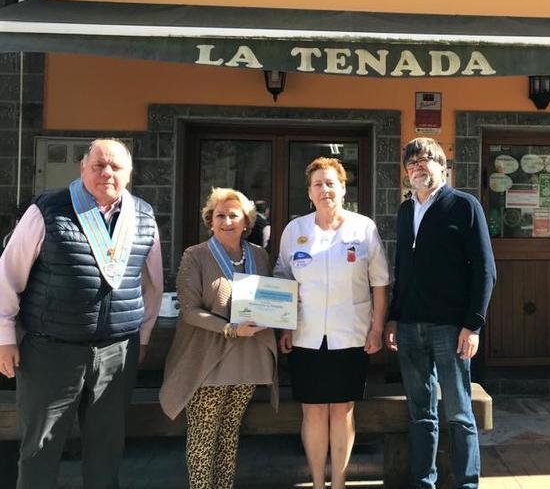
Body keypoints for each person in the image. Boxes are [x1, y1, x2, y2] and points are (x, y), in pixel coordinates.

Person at [0, 138, 163, 489]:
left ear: (129, 173)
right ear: (82, 169)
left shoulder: (145, 215)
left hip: (117, 351)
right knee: (40, 448)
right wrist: (4, 337)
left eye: (115, 167)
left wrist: (143, 337)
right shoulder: (47, 209)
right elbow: (7, 275)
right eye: (98, 165)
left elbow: (152, 285)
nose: (107, 172)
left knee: (107, 451)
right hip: (51, 350)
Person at [384, 137, 496, 489]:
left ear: (443, 166)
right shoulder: (405, 211)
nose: (418, 166)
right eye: (412, 162)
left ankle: (466, 484)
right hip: (410, 327)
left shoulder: (464, 206)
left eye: (426, 159)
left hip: (451, 328)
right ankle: (423, 482)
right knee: (420, 413)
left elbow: (485, 269)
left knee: (460, 413)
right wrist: (393, 317)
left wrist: (473, 324)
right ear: (406, 172)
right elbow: (402, 269)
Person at [274, 157, 389, 489]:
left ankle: (337, 483)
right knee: (312, 411)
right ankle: (317, 483)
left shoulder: (362, 228)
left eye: (330, 183)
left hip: (350, 335)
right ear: (309, 192)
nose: (324, 189)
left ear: (343, 188)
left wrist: (377, 328)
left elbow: (380, 283)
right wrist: (284, 327)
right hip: (305, 335)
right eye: (317, 184)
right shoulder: (295, 231)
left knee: (342, 410)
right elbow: (283, 279)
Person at [159, 187, 278, 489]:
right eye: (219, 215)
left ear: (246, 222)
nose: (226, 221)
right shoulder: (195, 256)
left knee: (229, 436)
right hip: (207, 362)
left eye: (233, 215)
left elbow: (269, 300)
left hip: (247, 362)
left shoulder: (260, 256)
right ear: (210, 221)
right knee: (203, 439)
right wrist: (230, 329)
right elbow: (189, 312)